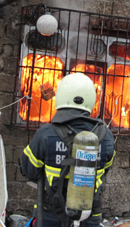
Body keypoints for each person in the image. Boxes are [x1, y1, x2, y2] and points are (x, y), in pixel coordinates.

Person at [21, 72, 116, 227]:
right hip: (89, 217)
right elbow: (105, 168)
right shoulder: (106, 136)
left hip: (51, 216)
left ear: (61, 96)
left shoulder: (45, 134)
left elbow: (29, 171)